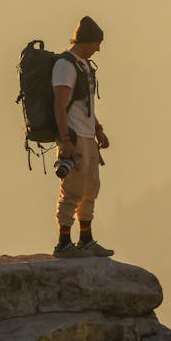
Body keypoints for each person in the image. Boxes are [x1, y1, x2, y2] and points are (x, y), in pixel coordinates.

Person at [51, 16, 114, 258]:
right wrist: (65, 140)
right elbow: (59, 104)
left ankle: (85, 239)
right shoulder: (65, 66)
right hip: (74, 138)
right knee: (72, 189)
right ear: (86, 41)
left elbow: (85, 104)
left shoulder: (84, 66)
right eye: (96, 43)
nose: (98, 48)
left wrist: (98, 129)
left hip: (87, 136)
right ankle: (63, 243)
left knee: (91, 188)